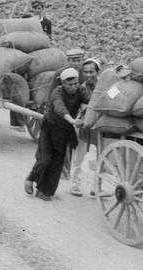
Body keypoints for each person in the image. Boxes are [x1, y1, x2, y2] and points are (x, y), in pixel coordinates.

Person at [24, 68, 90, 201]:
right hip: (50, 127)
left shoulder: (80, 90)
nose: (74, 87)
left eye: (76, 83)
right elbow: (60, 108)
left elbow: (87, 101)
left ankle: (44, 191)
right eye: (70, 84)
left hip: (64, 130)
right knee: (45, 159)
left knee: (57, 162)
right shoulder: (57, 92)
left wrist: (86, 110)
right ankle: (30, 179)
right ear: (63, 83)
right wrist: (72, 120)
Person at [69, 58, 101, 196]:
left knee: (102, 156)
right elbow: (78, 104)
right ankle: (75, 185)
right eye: (86, 72)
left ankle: (97, 187)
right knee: (79, 156)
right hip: (84, 124)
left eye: (91, 72)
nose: (89, 75)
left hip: (100, 125)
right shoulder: (80, 88)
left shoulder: (104, 87)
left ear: (98, 72)